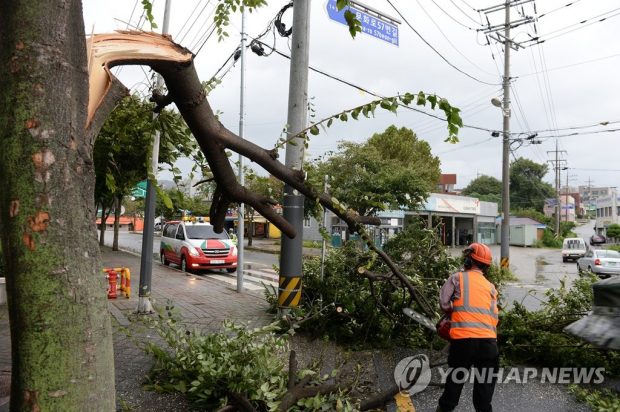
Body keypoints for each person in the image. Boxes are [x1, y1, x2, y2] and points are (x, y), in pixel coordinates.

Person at [437, 243, 499, 412]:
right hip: (489, 344)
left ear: (468, 259)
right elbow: (494, 318)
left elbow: (444, 303)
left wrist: (454, 312)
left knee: (455, 383)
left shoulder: (457, 278)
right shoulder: (491, 287)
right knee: (484, 391)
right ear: (486, 265)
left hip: (463, 342)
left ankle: (444, 409)